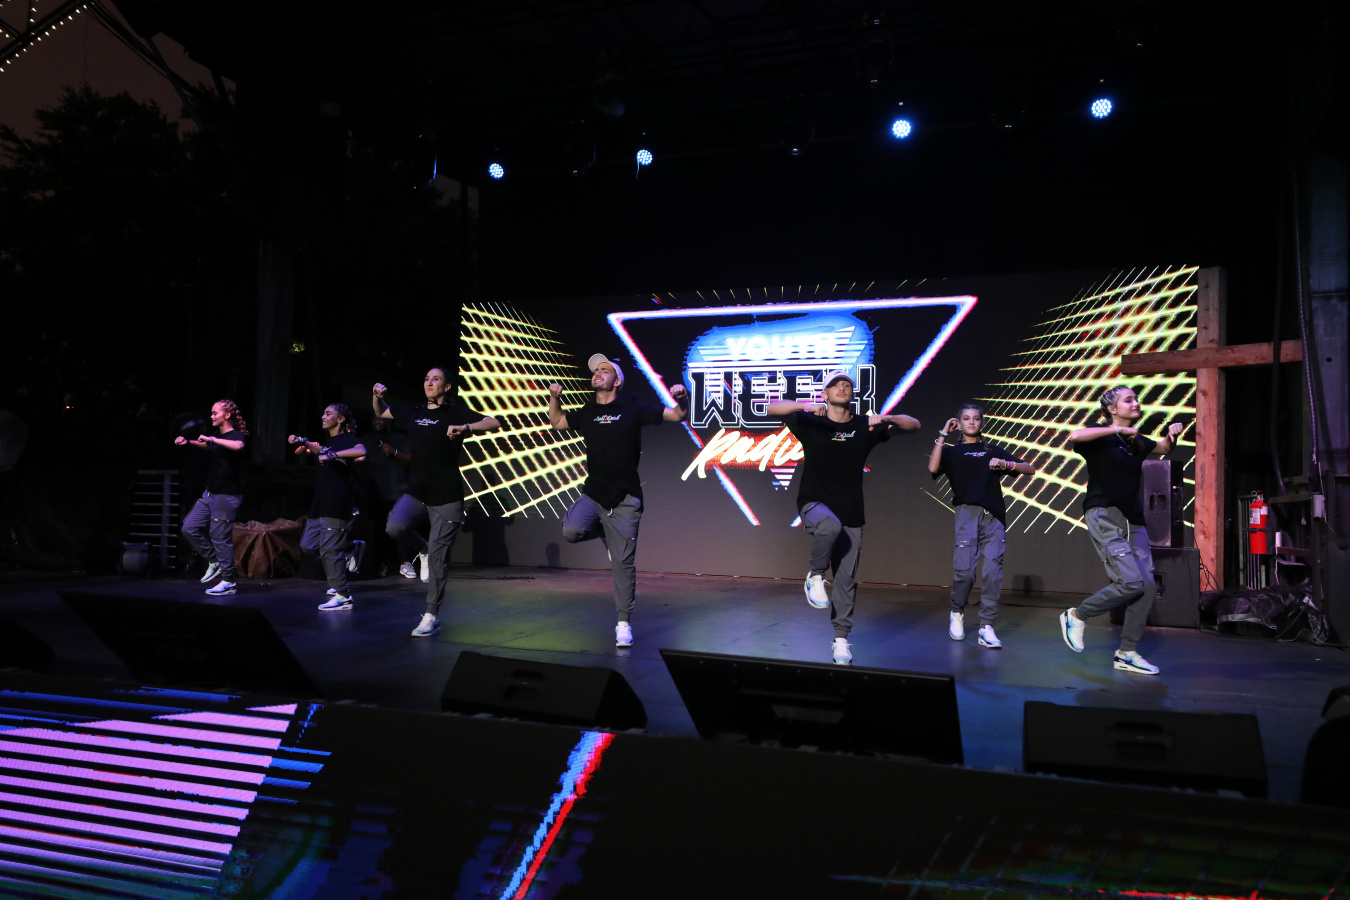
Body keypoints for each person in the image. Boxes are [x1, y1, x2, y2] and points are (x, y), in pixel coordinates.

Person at [767, 371, 920, 665]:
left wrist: (886, 418)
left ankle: (840, 640)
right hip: (814, 501)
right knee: (829, 526)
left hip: (851, 510)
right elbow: (773, 409)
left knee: (846, 580)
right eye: (835, 384)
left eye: (847, 384)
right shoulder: (812, 422)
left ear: (852, 393)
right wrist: (805, 406)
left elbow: (914, 425)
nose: (842, 386)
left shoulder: (864, 426)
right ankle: (815, 575)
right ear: (825, 393)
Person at [547, 354, 688, 648]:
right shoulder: (587, 411)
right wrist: (554, 398)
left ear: (617, 380)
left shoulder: (632, 406)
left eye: (604, 370)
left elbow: (677, 416)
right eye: (595, 371)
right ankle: (607, 534)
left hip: (625, 497)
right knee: (571, 531)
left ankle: (623, 622)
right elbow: (558, 422)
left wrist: (682, 399)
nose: (597, 374)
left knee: (623, 564)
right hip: (594, 494)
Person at [1059, 385, 1185, 675]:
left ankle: (1127, 653)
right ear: (1112, 409)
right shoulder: (1099, 436)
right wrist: (1117, 430)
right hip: (1104, 514)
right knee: (1130, 583)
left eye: (1136, 399)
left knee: (1147, 586)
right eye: (1128, 400)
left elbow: (1163, 448)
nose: (1135, 403)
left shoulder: (1138, 441)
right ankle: (1077, 615)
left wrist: (1172, 436)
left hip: (1133, 520)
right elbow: (1075, 436)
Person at [373, 367, 501, 636]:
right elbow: (382, 413)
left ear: (447, 387)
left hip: (446, 495)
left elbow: (493, 422)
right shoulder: (415, 410)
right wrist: (377, 397)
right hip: (417, 491)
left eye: (435, 379)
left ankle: (431, 615)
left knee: (440, 558)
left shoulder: (455, 412)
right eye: (426, 378)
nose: (429, 383)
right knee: (394, 527)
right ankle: (423, 549)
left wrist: (466, 427)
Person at [928, 403, 1036, 649]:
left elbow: (1029, 468)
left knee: (992, 572)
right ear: (959, 423)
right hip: (967, 514)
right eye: (966, 418)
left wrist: (1006, 465)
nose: (971, 422)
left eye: (976, 418)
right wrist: (943, 434)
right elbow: (933, 468)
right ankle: (957, 612)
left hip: (994, 516)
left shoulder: (991, 450)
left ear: (981, 422)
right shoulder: (952, 452)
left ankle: (986, 626)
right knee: (965, 571)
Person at [291, 404, 366, 611]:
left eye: (328, 414)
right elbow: (301, 451)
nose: (323, 416)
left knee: (330, 550)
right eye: (323, 413)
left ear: (340, 419)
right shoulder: (329, 443)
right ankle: (350, 547)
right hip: (320, 502)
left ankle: (343, 596)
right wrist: (304, 442)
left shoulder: (347, 440)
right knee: (308, 546)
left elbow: (362, 451)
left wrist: (331, 455)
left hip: (338, 501)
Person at [176, 399, 249, 596]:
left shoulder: (235, 435)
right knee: (189, 527)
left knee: (220, 538)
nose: (211, 416)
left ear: (227, 415)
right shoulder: (216, 436)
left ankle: (229, 581)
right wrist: (188, 442)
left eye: (215, 413)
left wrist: (212, 440)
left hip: (226, 496)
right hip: (210, 494)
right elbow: (206, 445)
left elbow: (238, 446)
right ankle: (214, 560)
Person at [359, 413, 415, 578]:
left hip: (397, 492)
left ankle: (405, 562)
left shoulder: (401, 439)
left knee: (400, 529)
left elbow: (412, 460)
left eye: (382, 418)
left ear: (391, 420)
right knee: (377, 532)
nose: (377, 421)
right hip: (372, 493)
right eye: (374, 418)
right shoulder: (364, 440)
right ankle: (381, 564)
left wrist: (394, 452)